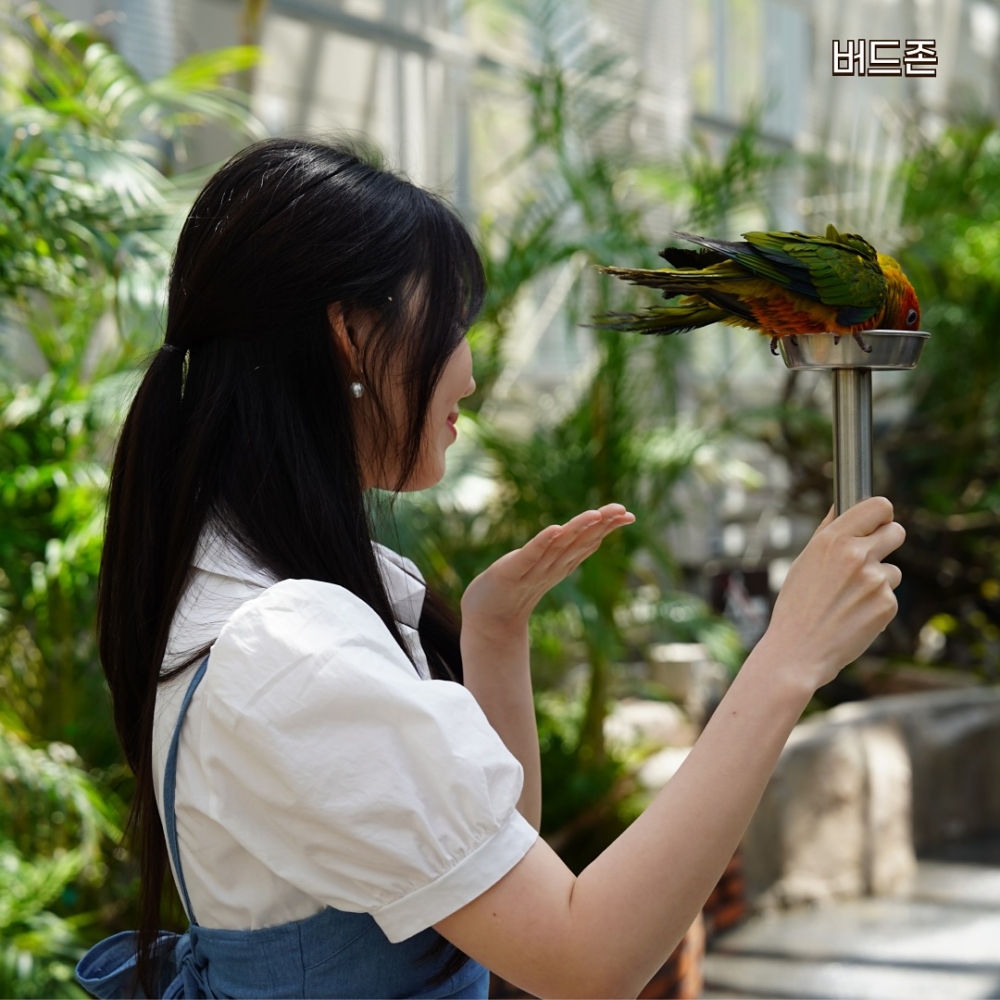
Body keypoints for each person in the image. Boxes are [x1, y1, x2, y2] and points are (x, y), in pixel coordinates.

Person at [77, 137, 905, 1000]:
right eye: (451, 324)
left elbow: (482, 858)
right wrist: (787, 661)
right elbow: (588, 962)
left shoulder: (253, 589)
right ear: (352, 335)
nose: (468, 373)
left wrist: (495, 632)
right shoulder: (291, 654)